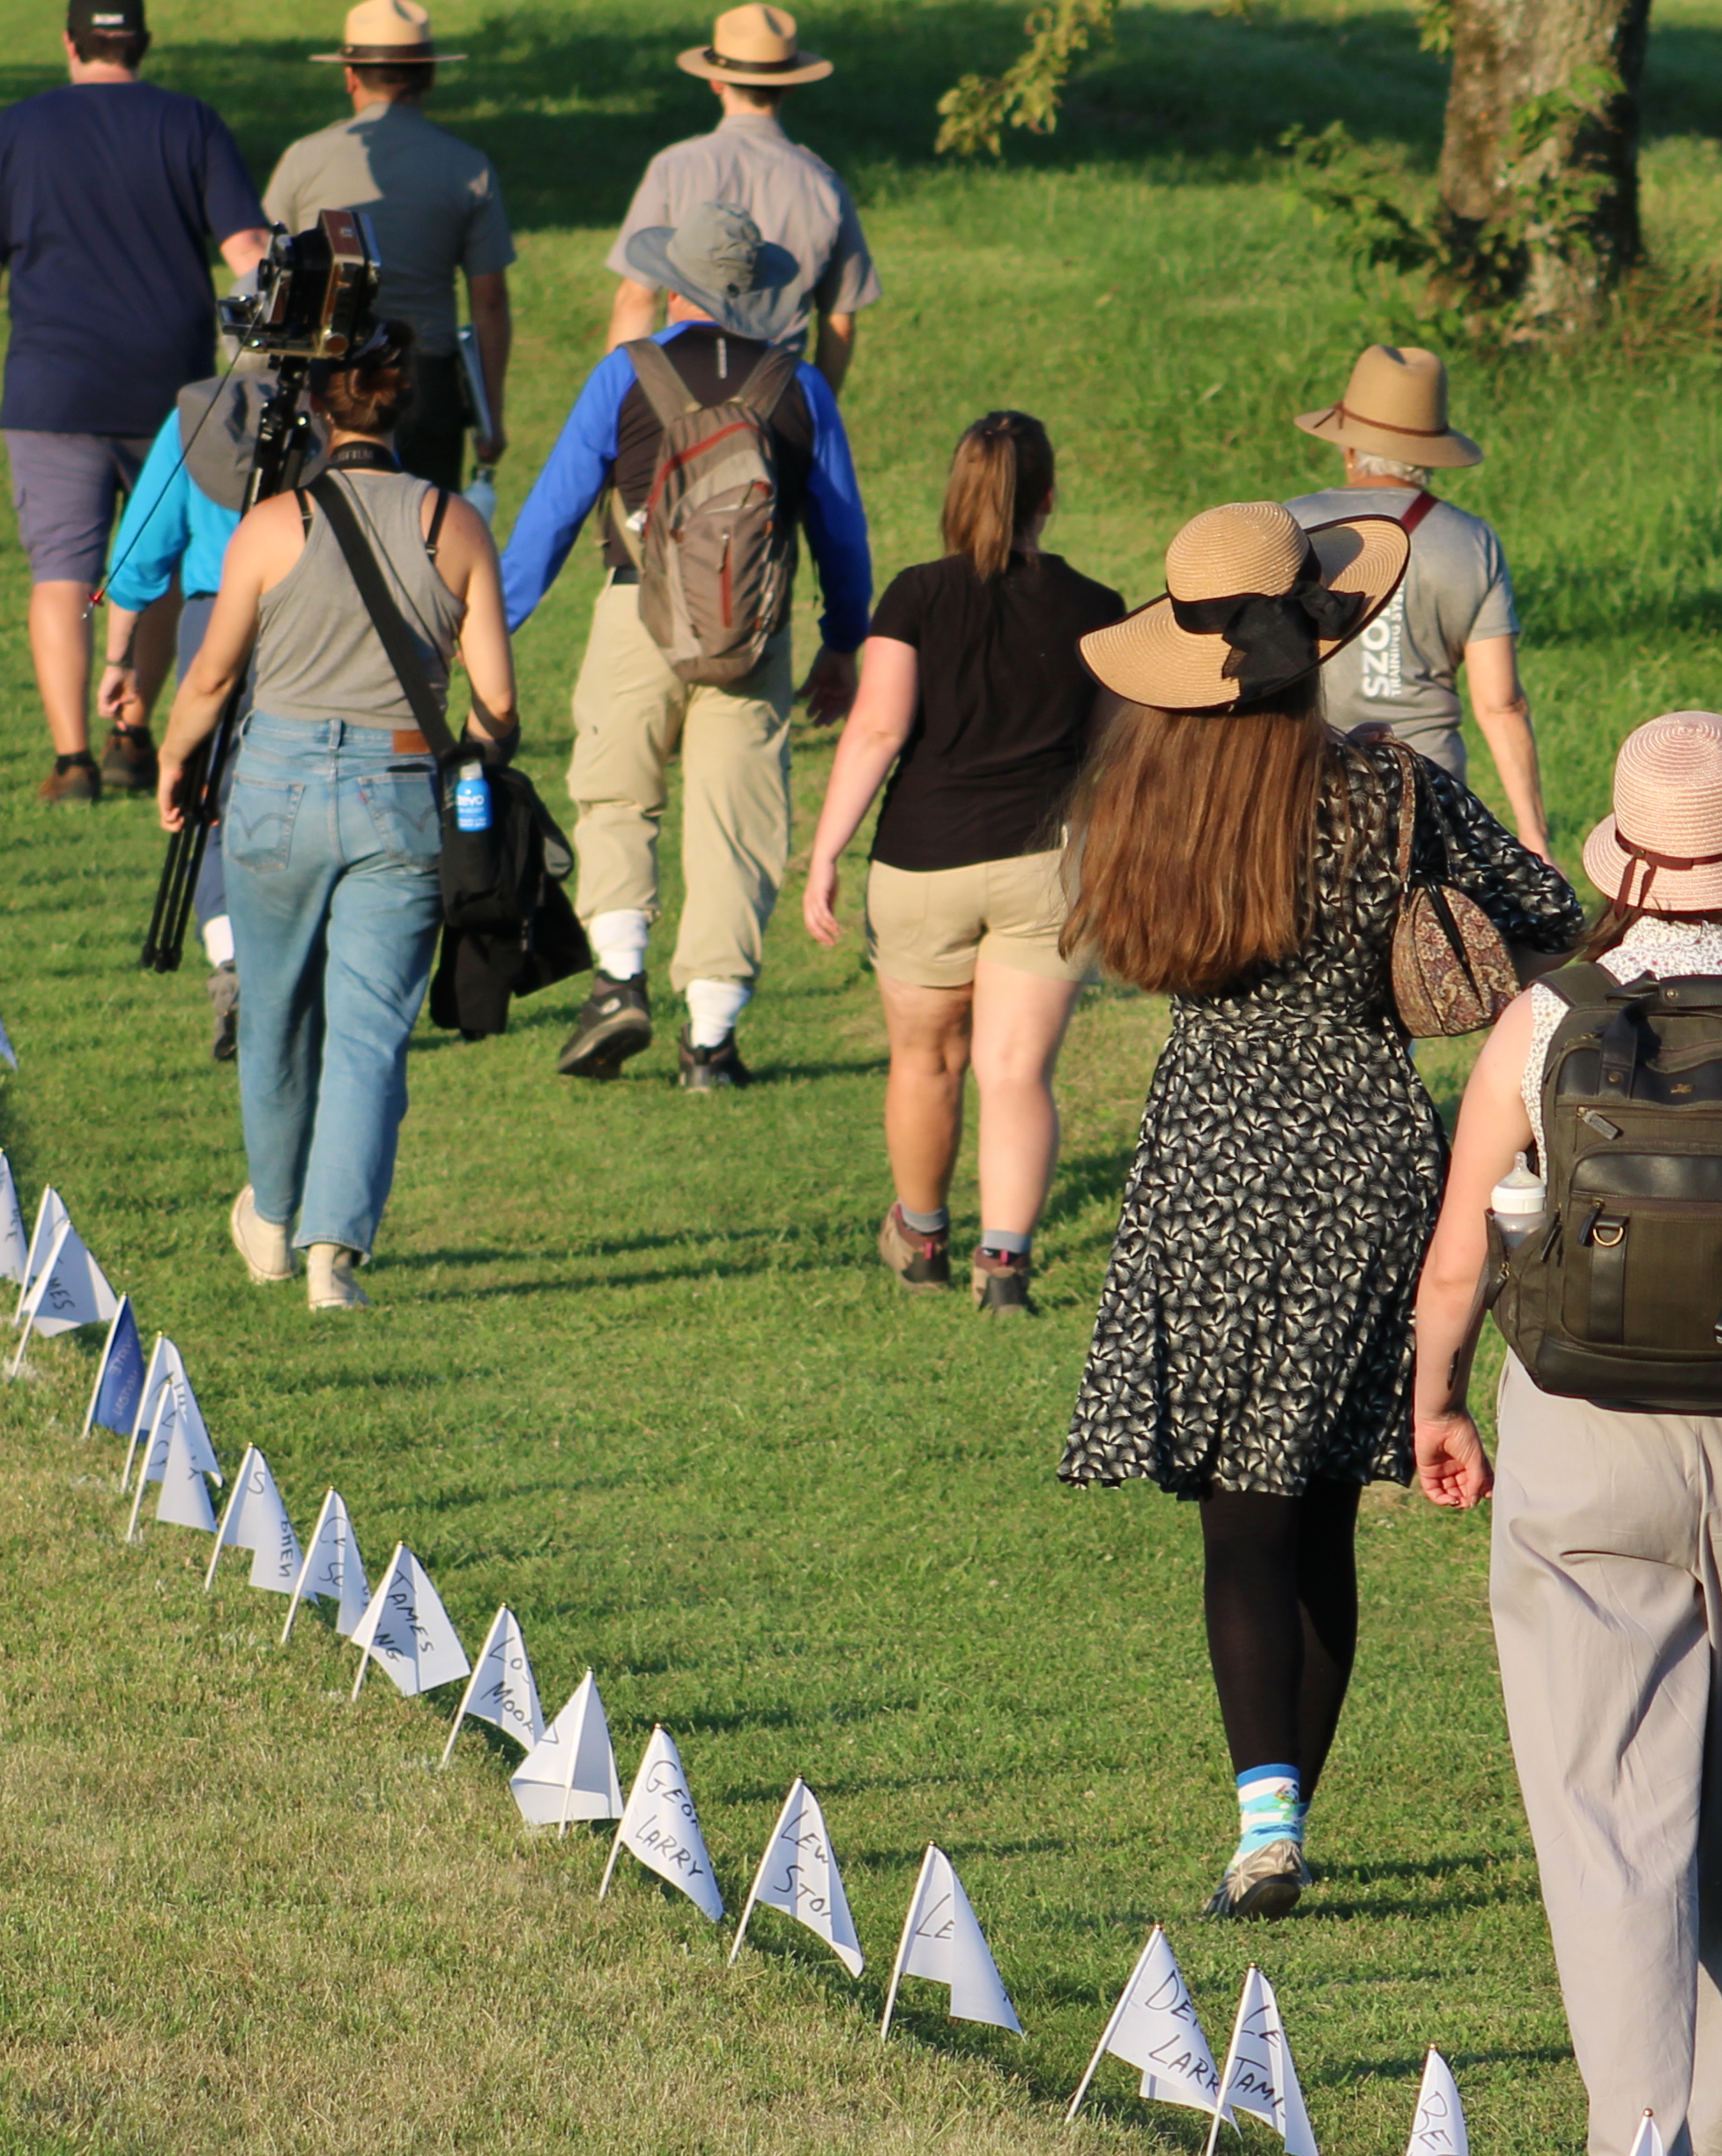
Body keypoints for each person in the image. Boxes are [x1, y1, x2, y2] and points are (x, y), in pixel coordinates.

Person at [1057, 502, 1577, 1921]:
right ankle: (1286, 1820)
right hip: (1367, 1152)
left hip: (1209, 1152)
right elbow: (1544, 906)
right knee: (1327, 1501)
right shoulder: (1389, 788)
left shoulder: (1141, 791)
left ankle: (1263, 1816)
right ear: (1326, 640)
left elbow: (1122, 943)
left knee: (1241, 1509)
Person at [1411, 712, 1722, 2156]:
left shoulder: (1547, 1022)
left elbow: (1463, 1253)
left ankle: (1637, 2142)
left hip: (1582, 1436)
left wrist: (1437, 1400)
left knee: (1606, 1802)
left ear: (1630, 863)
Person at [148, 282, 519, 1312]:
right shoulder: (453, 525)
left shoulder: (273, 524)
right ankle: (332, 1257)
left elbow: (214, 678)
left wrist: (178, 760)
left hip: (273, 790)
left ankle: (269, 1214)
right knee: (369, 1031)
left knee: (273, 1013)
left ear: (316, 407)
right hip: (401, 796)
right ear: (401, 407)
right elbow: (497, 703)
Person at [496, 200, 872, 1092]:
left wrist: (490, 632)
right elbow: (842, 533)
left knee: (617, 798)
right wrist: (843, 640)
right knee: (735, 827)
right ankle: (710, 1043)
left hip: (637, 616)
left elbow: (548, 519)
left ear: (675, 288)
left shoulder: (623, 377)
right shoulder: (799, 386)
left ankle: (618, 980)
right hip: (754, 631)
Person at [798, 412, 1128, 1316]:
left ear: (955, 495)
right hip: (1044, 865)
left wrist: (826, 851)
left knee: (924, 1061)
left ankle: (922, 1235)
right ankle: (1006, 1267)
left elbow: (876, 728)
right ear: (1049, 500)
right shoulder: (1098, 610)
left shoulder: (913, 597)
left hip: (922, 864)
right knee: (1016, 1072)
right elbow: (1108, 762)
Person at [0, 0, 270, 804]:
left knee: (62, 569)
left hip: (53, 388)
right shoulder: (189, 122)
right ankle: (133, 733)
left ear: (69, 43)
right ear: (144, 44)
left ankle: (71, 759)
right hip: (174, 389)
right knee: (155, 564)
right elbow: (246, 250)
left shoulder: (22, 128)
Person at [1286, 345, 1546, 851]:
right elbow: (1502, 705)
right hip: (1429, 795)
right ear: (1429, 458)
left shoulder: (1287, 526)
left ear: (1350, 448)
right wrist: (1534, 835)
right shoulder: (1471, 541)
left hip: (1303, 781)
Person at [260, 0, 516, 490]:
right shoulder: (468, 166)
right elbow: (490, 299)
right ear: (429, 77)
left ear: (350, 75)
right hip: (424, 383)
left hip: (327, 382)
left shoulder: (303, 159)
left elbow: (269, 274)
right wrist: (491, 415)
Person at [603, 2, 878, 389]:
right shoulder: (824, 183)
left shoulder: (674, 167)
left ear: (715, 81)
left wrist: (619, 402)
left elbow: (637, 298)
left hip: (682, 390)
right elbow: (840, 322)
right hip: (778, 389)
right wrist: (818, 407)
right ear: (791, 85)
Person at [97, 381, 255, 1052]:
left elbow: (143, 544)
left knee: (208, 805)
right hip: (322, 621)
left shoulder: (198, 415)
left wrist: (118, 656)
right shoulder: (339, 399)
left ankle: (232, 967)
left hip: (214, 613)